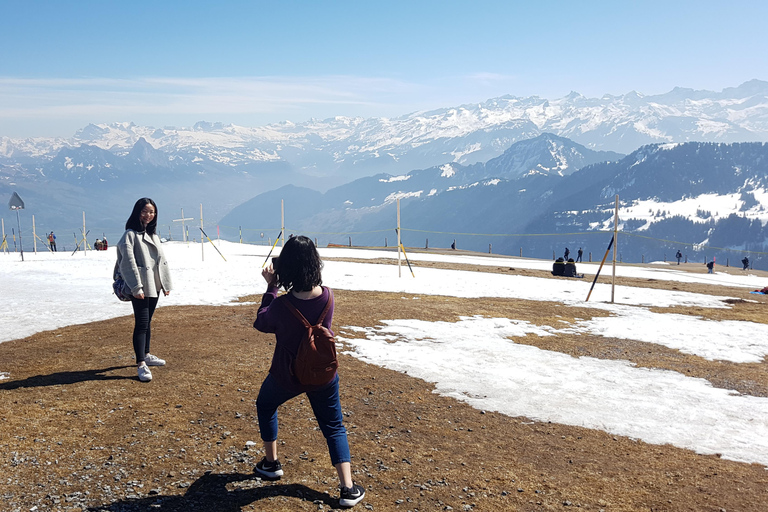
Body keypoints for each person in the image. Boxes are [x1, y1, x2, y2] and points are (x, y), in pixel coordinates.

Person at [252, 235, 365, 508]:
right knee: (334, 426)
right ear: (315, 262)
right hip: (322, 373)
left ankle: (271, 463)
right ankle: (347, 488)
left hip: (286, 375)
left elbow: (261, 322)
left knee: (265, 404)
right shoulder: (327, 296)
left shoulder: (281, 305)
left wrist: (271, 287)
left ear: (285, 267)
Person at [115, 198, 172, 383]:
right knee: (142, 323)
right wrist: (136, 287)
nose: (149, 215)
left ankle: (146, 354)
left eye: (152, 212)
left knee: (147, 322)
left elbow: (160, 261)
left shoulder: (153, 235)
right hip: (140, 286)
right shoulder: (130, 236)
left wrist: (165, 284)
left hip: (153, 285)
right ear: (137, 212)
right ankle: (141, 363)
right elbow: (128, 264)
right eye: (145, 211)